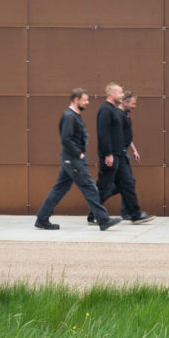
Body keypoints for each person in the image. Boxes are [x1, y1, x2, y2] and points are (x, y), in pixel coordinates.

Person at [34, 88, 121, 231]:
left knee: (59, 189)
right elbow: (66, 139)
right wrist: (79, 154)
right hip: (73, 160)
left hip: (69, 160)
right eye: (85, 100)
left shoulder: (74, 115)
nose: (87, 103)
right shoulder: (69, 116)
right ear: (76, 99)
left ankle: (42, 218)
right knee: (90, 188)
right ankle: (103, 220)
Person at [88, 85, 154, 224]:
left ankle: (135, 215)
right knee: (104, 187)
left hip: (120, 155)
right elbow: (103, 133)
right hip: (111, 156)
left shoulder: (113, 110)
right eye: (120, 92)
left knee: (128, 183)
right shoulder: (106, 110)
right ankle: (93, 215)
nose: (122, 94)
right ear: (112, 93)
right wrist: (108, 154)